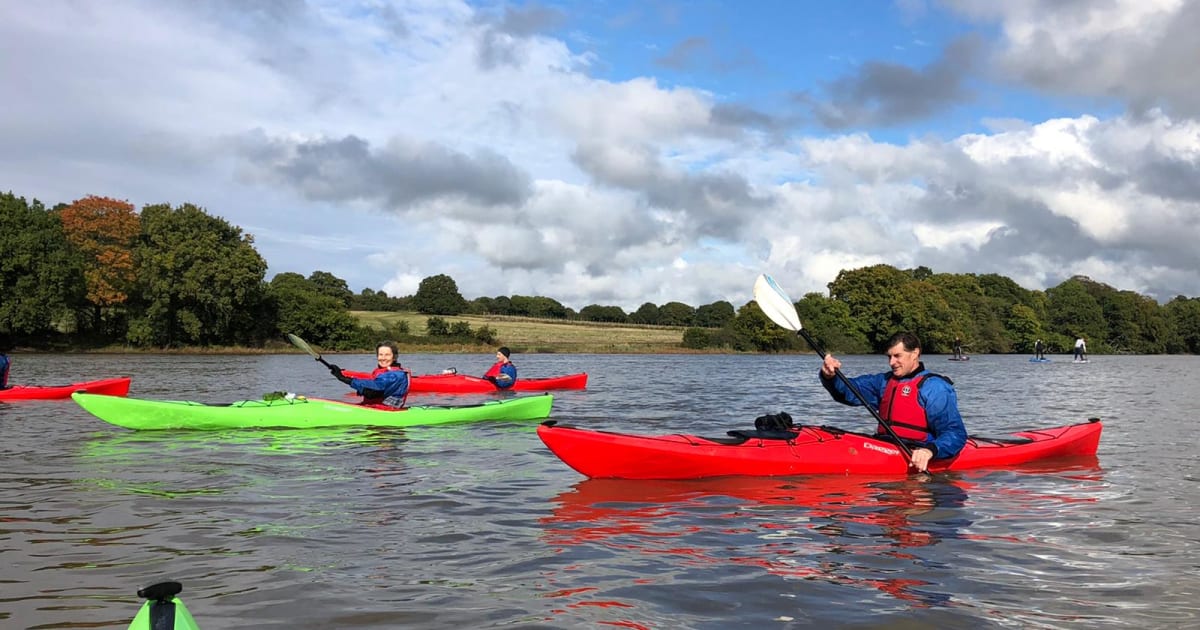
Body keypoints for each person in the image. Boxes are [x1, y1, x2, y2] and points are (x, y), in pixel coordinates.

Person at [819, 331, 967, 473]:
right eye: (889, 357)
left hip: (917, 450)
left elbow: (955, 433)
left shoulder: (934, 387)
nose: (892, 362)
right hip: (883, 446)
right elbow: (848, 390)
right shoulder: (883, 382)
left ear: (915, 353)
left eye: (897, 356)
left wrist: (930, 451)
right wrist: (830, 376)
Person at [326, 341, 410, 406]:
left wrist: (344, 379)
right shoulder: (385, 372)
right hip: (375, 407)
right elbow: (371, 387)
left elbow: (375, 387)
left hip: (386, 410)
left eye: (387, 355)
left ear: (394, 357)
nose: (383, 358)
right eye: (380, 355)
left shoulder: (395, 375)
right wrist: (341, 373)